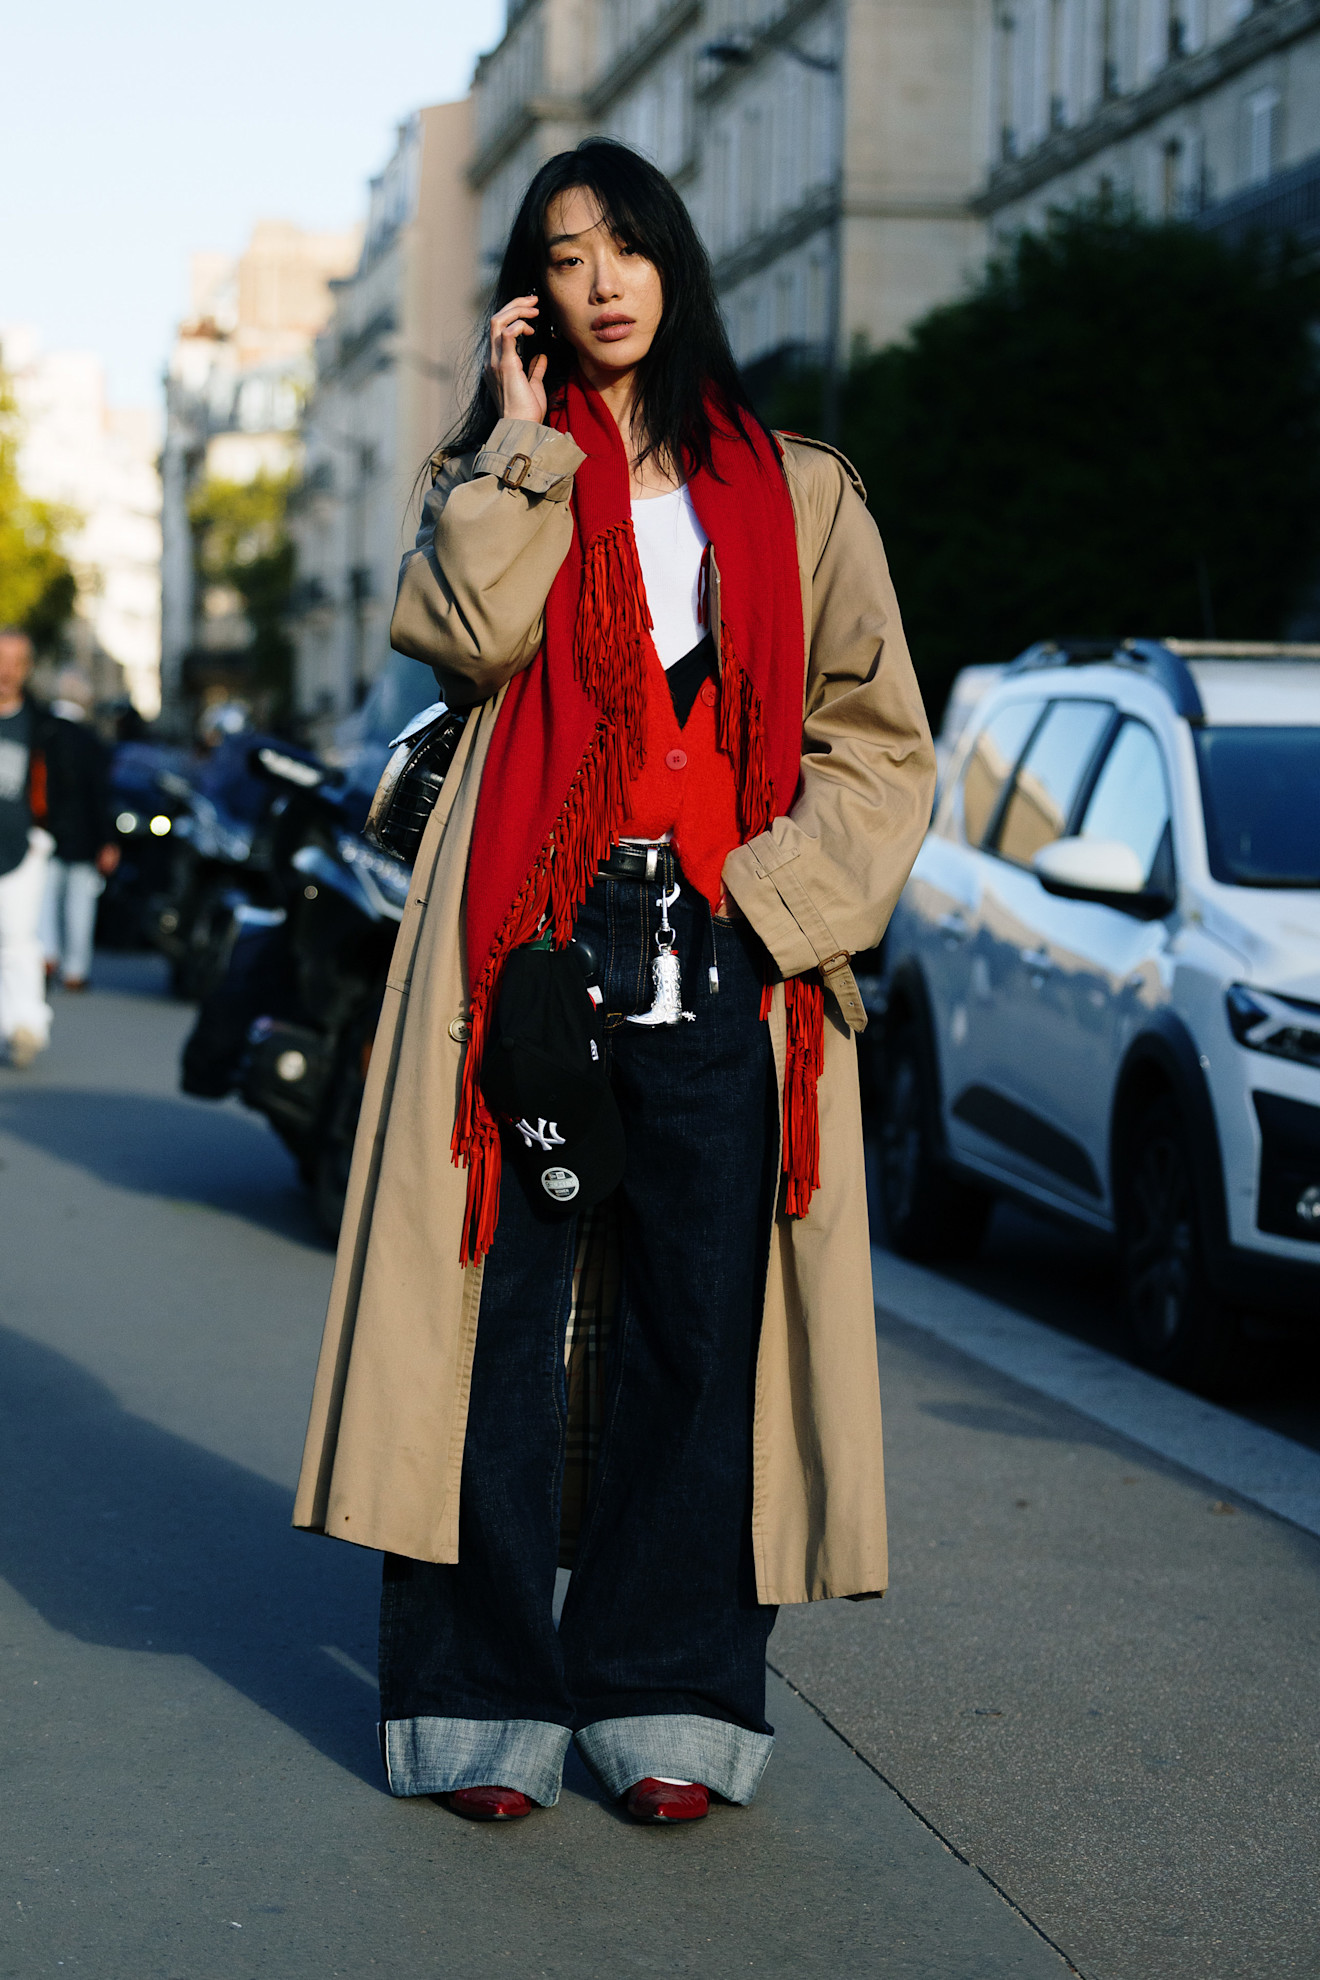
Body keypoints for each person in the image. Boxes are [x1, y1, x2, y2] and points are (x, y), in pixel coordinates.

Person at [293, 140, 936, 1826]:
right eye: (567, 256)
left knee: (696, 1339)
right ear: (533, 293)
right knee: (494, 1336)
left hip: (728, 959)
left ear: (674, 265)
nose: (602, 282)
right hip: (527, 953)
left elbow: (877, 741)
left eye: (628, 248)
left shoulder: (797, 491)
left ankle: (667, 1696)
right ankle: (480, 1703)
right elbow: (460, 638)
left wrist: (777, 903)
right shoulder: (501, 477)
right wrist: (519, 449)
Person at [39, 668, 118, 991]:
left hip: (43, 828)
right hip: (84, 833)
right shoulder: (91, 741)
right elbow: (100, 795)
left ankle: (46, 954)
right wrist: (108, 840)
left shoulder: (41, 732)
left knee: (44, 898)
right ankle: (75, 969)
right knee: (80, 903)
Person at [0, 628, 56, 1068]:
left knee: (18, 939)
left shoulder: (40, 723)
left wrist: (44, 833)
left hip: (20, 845)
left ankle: (26, 1025)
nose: (6, 670)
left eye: (16, 661)